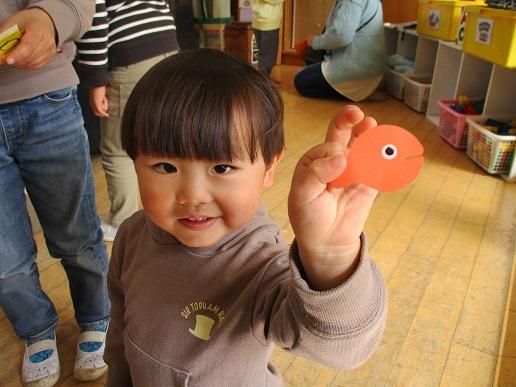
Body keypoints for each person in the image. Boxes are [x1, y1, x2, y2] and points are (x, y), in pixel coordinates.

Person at [105, 48, 388, 386]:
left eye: (222, 167)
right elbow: (121, 334)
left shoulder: (262, 263)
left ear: (269, 167)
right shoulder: (133, 235)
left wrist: (331, 258)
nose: (193, 196)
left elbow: (342, 348)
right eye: (166, 167)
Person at [0, 2, 110, 386]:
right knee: (4, 257)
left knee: (76, 235)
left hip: (45, 93)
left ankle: (97, 316)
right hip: (45, 91)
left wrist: (50, 17)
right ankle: (35, 328)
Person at [75, 0, 180, 242]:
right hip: (168, 50)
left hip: (129, 57)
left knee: (118, 150)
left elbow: (95, 21)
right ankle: (168, 214)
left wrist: (96, 81)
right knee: (163, 143)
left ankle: (123, 223)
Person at [294, 0, 386, 102]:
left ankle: (352, 92)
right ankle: (364, 91)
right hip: (371, 69)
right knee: (310, 68)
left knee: (301, 81)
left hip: (357, 69)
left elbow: (341, 36)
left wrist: (313, 41)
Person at [251, 0, 284, 79]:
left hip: (259, 20)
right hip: (268, 22)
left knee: (264, 54)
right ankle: (262, 82)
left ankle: (263, 80)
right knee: (268, 57)